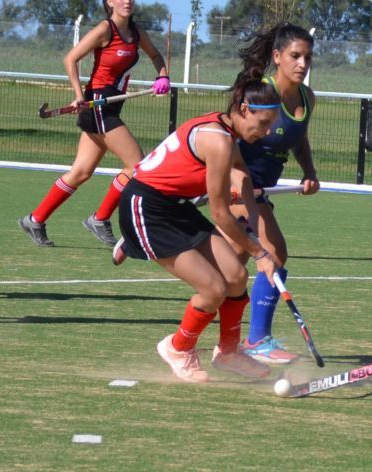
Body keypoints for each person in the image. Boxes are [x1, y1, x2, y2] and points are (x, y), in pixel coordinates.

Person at [116, 67, 282, 383]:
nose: (266, 132)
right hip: (147, 210)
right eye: (263, 124)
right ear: (245, 109)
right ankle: (177, 348)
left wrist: (254, 213)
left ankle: (229, 353)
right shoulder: (217, 141)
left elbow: (241, 172)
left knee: (236, 276)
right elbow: (220, 214)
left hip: (175, 207)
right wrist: (260, 252)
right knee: (213, 288)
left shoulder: (227, 133)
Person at [18, 0, 170, 249]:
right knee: (138, 165)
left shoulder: (136, 33)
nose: (127, 1)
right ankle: (100, 219)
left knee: (81, 172)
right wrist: (78, 95)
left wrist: (163, 76)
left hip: (110, 105)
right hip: (98, 104)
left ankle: (35, 219)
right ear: (109, 1)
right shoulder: (104, 29)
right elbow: (71, 59)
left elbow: (156, 55)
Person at [223, 23, 320, 365]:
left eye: (308, 57)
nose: (302, 63)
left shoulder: (308, 98)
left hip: (262, 192)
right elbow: (227, 137)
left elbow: (300, 139)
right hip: (236, 186)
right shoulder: (258, 93)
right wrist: (237, 182)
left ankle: (229, 346)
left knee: (229, 270)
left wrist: (309, 172)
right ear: (277, 57)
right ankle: (253, 341)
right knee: (267, 254)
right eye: (295, 56)